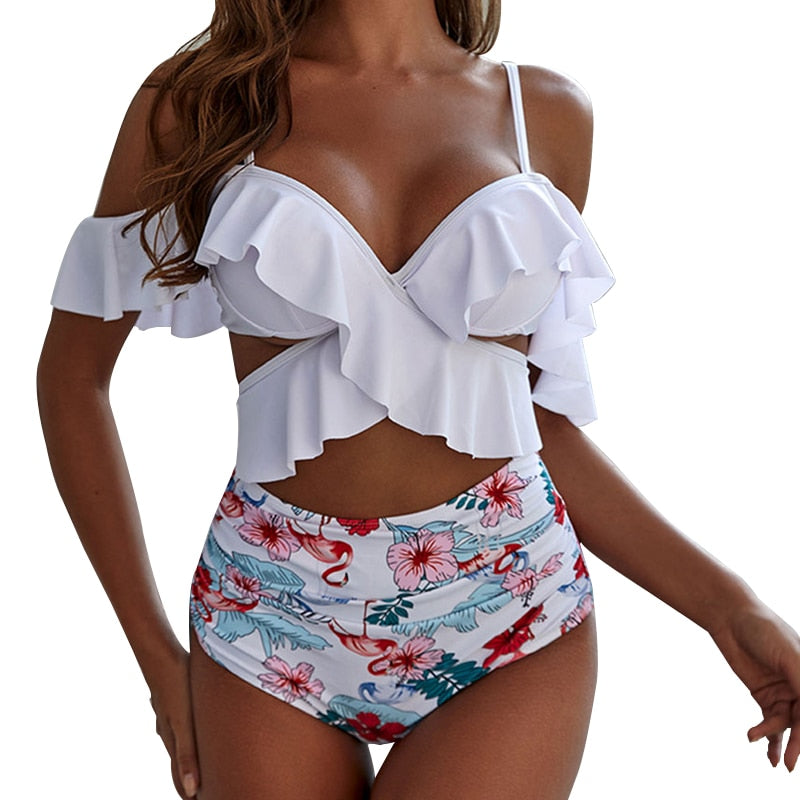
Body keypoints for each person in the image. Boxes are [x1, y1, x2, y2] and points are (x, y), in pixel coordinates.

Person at [36, 1, 800, 799]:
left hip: (510, 609)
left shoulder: (545, 114)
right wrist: (158, 662)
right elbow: (72, 379)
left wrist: (732, 610)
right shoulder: (199, 105)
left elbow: (526, 420)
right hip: (268, 615)